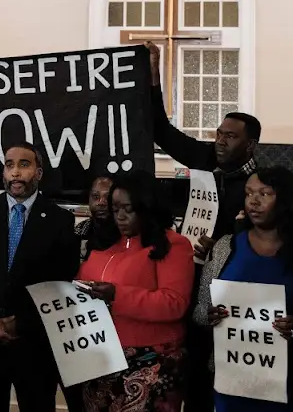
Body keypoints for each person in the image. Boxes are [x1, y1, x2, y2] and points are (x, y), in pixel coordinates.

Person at [196, 166, 293, 411]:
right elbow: (200, 311)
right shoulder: (225, 248)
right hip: (234, 383)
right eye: (249, 194)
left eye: (264, 194)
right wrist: (210, 315)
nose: (253, 202)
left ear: (285, 199)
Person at [0, 141, 80, 412]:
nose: (15, 172)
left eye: (24, 165)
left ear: (38, 172)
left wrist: (22, 324)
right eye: (9, 165)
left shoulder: (60, 221)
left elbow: (61, 284)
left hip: (34, 345)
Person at [77, 174, 195, 412]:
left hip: (151, 361)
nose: (119, 216)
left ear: (146, 207)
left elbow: (174, 303)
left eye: (127, 209)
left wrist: (117, 295)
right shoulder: (105, 243)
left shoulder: (172, 244)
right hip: (100, 359)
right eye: (115, 208)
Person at [146, 44, 262, 253]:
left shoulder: (260, 185)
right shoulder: (206, 158)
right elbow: (160, 130)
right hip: (189, 259)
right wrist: (153, 73)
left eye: (230, 136)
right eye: (218, 134)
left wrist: (221, 249)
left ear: (250, 145)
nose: (220, 141)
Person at [76, 175, 119, 260]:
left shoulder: (125, 231)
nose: (101, 202)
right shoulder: (80, 230)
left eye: (107, 197)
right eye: (96, 197)